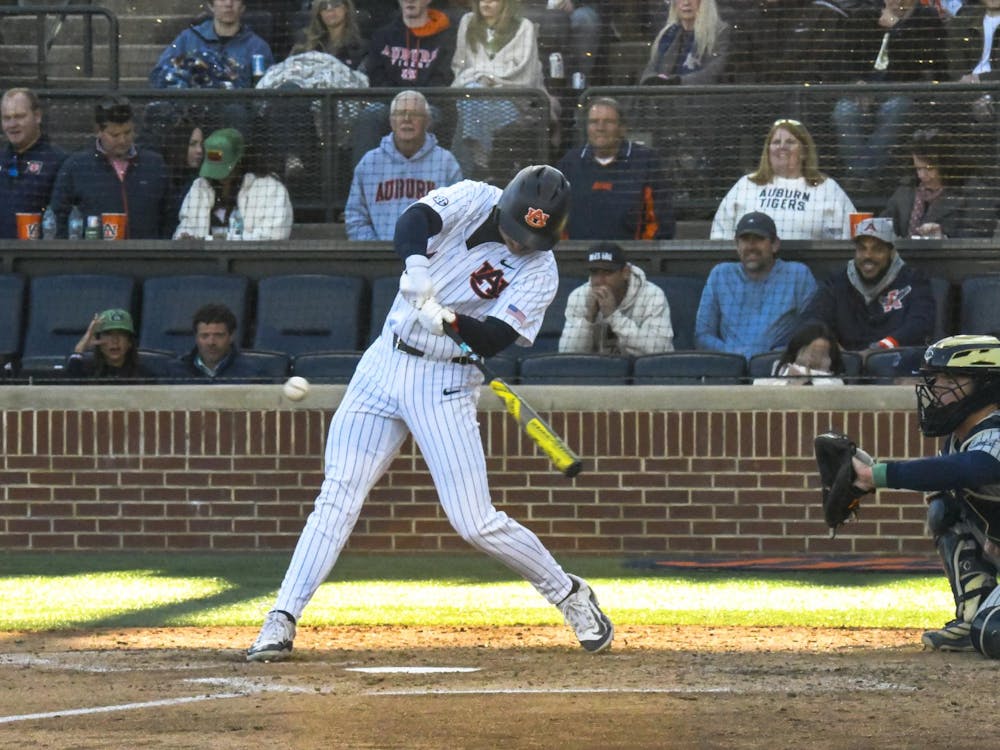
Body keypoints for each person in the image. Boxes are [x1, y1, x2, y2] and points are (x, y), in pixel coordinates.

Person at [246, 165, 614, 661]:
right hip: (383, 361)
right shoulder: (473, 197)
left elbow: (494, 338)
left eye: (536, 237)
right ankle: (282, 617)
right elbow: (414, 220)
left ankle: (568, 594)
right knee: (339, 493)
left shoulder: (540, 270)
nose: (524, 243)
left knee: (474, 521)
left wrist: (446, 319)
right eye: (519, 231)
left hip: (445, 378)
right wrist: (417, 268)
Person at [850, 334, 1000, 654]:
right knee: (942, 504)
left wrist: (876, 475)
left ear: (986, 385)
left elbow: (975, 468)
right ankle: (972, 611)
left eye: (950, 378)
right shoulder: (961, 436)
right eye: (936, 378)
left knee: (994, 634)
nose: (937, 388)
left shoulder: (995, 430)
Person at [830, 0, 946, 191]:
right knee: (844, 111)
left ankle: (860, 176)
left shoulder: (927, 18)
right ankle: (863, 177)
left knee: (895, 108)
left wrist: (897, 27)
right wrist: (856, 83)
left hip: (904, 90)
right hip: (866, 90)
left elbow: (923, 61)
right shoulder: (866, 16)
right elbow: (842, 59)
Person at [449, 0, 555, 177]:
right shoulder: (467, 21)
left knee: (471, 104)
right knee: (472, 93)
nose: (486, 3)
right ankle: (488, 165)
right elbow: (460, 66)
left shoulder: (524, 27)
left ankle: (474, 168)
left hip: (512, 99)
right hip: (473, 95)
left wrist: (488, 79)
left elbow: (524, 75)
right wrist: (482, 79)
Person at [800, 216, 935, 353]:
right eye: (862, 249)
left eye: (877, 249)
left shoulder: (913, 279)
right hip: (846, 364)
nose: (868, 256)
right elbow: (813, 319)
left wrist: (882, 347)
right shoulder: (837, 282)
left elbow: (920, 323)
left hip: (895, 361)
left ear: (892, 252)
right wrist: (834, 348)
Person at [48, 95, 174, 240]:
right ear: (98, 131)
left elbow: (169, 215)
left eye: (127, 132)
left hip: (146, 257)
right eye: (114, 135)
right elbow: (58, 217)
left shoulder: (154, 164)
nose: (122, 140)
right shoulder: (76, 166)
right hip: (93, 259)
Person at [696, 211, 817, 360]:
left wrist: (772, 357)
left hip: (778, 366)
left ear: (775, 244)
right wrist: (735, 356)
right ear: (736, 245)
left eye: (759, 239)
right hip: (730, 369)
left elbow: (812, 331)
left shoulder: (797, 274)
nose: (751, 246)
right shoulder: (721, 274)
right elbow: (703, 335)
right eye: (745, 239)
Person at [711, 118, 856, 240]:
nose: (782, 147)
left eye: (790, 142)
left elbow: (851, 234)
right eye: (775, 142)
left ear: (804, 151)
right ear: (767, 151)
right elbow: (720, 233)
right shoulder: (746, 184)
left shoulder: (827, 188)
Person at [345, 90, 462, 240]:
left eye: (415, 114)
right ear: (391, 121)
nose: (407, 119)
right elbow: (355, 217)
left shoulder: (446, 162)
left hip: (430, 258)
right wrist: (376, 250)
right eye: (400, 113)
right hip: (379, 257)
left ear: (427, 121)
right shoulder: (370, 163)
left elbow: (458, 216)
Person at [352, 0, 457, 166]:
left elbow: (443, 77)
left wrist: (415, 104)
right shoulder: (383, 35)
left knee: (426, 117)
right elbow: (377, 76)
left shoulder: (445, 37)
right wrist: (400, 104)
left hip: (429, 104)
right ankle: (364, 184)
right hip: (389, 103)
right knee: (370, 115)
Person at [555, 97, 674, 240]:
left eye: (608, 122)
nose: (600, 128)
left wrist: (640, 256)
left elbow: (661, 223)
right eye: (594, 122)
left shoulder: (646, 161)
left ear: (622, 129)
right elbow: (555, 216)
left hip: (633, 259)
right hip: (577, 258)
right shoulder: (569, 163)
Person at [174, 127, 293, 241]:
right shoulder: (200, 186)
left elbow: (275, 234)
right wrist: (186, 238)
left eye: (224, 168)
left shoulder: (271, 189)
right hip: (207, 261)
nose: (218, 176)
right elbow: (185, 227)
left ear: (239, 162)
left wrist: (226, 240)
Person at [558, 242, 675, 355]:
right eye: (594, 272)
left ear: (625, 272)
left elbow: (661, 351)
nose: (599, 280)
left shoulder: (652, 295)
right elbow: (567, 355)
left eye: (607, 272)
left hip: (638, 372)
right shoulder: (579, 296)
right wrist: (588, 320)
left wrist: (614, 317)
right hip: (594, 372)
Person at [881, 128, 991, 239]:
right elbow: (883, 227)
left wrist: (943, 238)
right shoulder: (906, 190)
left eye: (929, 168)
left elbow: (979, 236)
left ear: (946, 166)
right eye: (918, 168)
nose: (922, 175)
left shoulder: (973, 192)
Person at [149, 0, 275, 89]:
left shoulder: (257, 47)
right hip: (190, 118)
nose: (228, 4)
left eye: (235, 0)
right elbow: (158, 76)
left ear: (243, 7)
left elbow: (267, 91)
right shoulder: (187, 39)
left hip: (236, 120)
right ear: (211, 5)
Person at [0, 87, 66, 239]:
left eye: (19, 116)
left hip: (37, 257)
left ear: (37, 116)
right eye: (6, 118)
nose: (12, 124)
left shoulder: (58, 161)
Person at [638, 0, 731, 85]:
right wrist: (653, 82)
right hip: (663, 100)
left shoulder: (719, 32)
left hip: (698, 100)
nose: (686, 2)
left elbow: (713, 72)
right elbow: (649, 71)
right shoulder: (667, 34)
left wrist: (676, 82)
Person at [165, 303, 265, 382]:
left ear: (231, 336)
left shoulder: (252, 373)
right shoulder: (174, 371)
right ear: (196, 337)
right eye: (204, 336)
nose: (211, 342)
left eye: (219, 335)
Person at [64, 309, 156, 382]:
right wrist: (80, 348)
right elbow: (68, 392)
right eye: (108, 334)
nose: (115, 340)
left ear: (129, 342)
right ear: (98, 340)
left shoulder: (144, 376)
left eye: (121, 334)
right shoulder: (88, 372)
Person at [751, 321, 846, 386]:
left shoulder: (836, 383)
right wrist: (790, 383)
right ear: (796, 352)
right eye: (811, 353)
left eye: (822, 354)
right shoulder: (779, 372)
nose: (813, 360)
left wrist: (808, 384)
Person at [289, 0, 368, 67]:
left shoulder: (361, 48)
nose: (329, 9)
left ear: (346, 8)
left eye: (335, 4)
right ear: (319, 13)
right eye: (323, 6)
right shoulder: (304, 45)